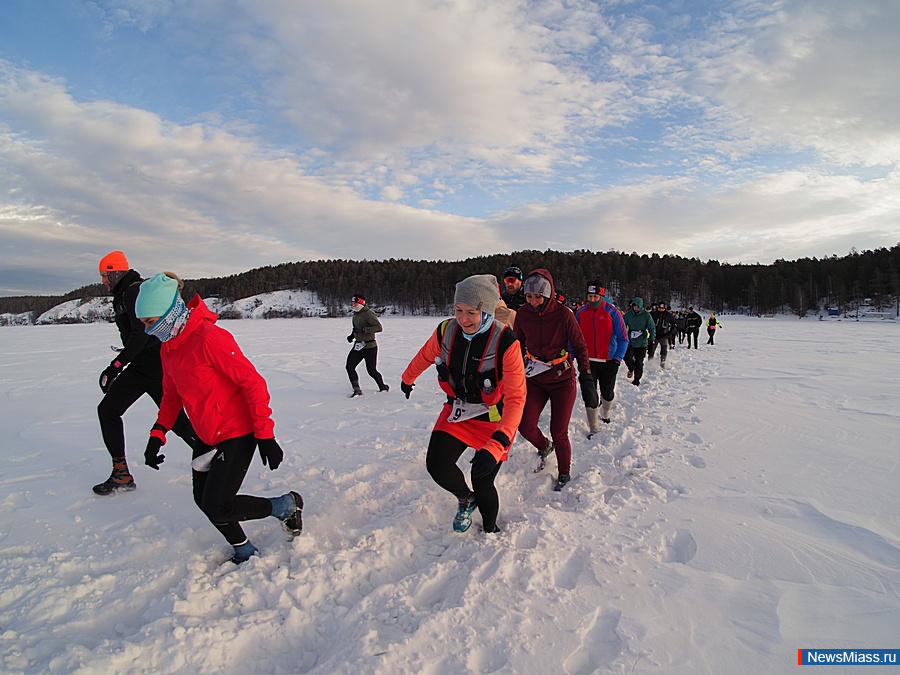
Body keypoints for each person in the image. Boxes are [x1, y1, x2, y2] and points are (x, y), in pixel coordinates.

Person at [135, 272, 303, 565]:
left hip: (238, 431)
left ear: (169, 312)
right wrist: (158, 432)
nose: (149, 330)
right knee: (204, 501)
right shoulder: (168, 349)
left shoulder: (210, 338)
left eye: (150, 322)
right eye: (144, 324)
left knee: (219, 505)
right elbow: (172, 396)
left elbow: (253, 383)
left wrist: (265, 434)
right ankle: (243, 548)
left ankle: (284, 506)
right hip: (206, 434)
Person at [400, 274, 525, 533]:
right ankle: (466, 499)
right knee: (437, 465)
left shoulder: (506, 342)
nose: (463, 319)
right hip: (457, 412)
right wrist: (407, 378)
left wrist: (500, 441)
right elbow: (426, 355)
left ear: (488, 311)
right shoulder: (447, 330)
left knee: (482, 478)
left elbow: (515, 398)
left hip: (493, 420)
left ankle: (490, 529)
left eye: (471, 312)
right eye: (458, 310)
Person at [93, 251, 199, 496]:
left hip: (155, 366)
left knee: (176, 421)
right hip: (140, 366)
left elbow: (141, 335)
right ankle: (121, 473)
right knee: (107, 409)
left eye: (105, 275)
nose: (103, 281)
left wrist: (116, 366)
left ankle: (215, 458)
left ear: (115, 272)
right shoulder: (122, 294)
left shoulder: (133, 292)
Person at [514, 269, 597, 490]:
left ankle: (564, 473)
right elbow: (515, 345)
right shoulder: (522, 314)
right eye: (529, 297)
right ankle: (544, 447)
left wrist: (586, 374)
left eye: (537, 297)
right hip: (535, 377)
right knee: (525, 426)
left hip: (562, 378)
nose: (532, 302)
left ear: (548, 295)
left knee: (559, 430)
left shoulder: (563, 314)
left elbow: (579, 346)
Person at [575, 282, 628, 435]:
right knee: (589, 393)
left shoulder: (612, 312)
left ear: (601, 296)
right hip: (587, 360)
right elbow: (575, 337)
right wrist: (571, 355)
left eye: (595, 297)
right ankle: (594, 427)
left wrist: (617, 360)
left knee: (607, 392)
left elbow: (623, 339)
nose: (592, 300)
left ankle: (606, 412)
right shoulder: (581, 313)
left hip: (608, 361)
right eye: (590, 297)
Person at [346, 294, 389, 397]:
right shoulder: (356, 314)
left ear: (361, 303)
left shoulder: (368, 314)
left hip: (370, 347)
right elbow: (356, 327)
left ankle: (382, 387)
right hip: (358, 346)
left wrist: (365, 330)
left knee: (371, 371)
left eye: (355, 303)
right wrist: (352, 335)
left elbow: (379, 327)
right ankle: (357, 390)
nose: (353, 305)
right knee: (349, 367)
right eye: (352, 303)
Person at [622, 297, 655, 386]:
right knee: (627, 357)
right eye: (634, 307)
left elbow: (651, 327)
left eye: (637, 307)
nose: (636, 308)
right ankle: (631, 367)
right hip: (631, 340)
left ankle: (637, 379)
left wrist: (651, 339)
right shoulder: (628, 315)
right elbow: (623, 326)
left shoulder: (646, 315)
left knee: (639, 362)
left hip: (642, 341)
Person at [647, 302, 674, 368]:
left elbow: (674, 324)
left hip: (664, 335)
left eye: (662, 308)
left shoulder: (668, 315)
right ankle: (650, 361)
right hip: (654, 335)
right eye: (659, 308)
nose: (661, 310)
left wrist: (670, 333)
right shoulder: (653, 314)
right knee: (652, 349)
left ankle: (663, 361)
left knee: (664, 349)